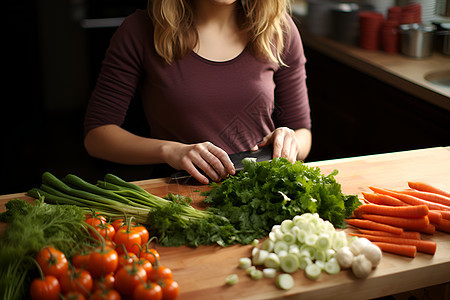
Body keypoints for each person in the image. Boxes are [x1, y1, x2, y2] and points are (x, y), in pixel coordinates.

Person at [83, 0, 312, 184]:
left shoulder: (279, 28)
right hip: (181, 195)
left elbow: (303, 132)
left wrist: (288, 141)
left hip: (263, 189)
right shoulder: (139, 30)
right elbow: (97, 137)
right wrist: (170, 150)